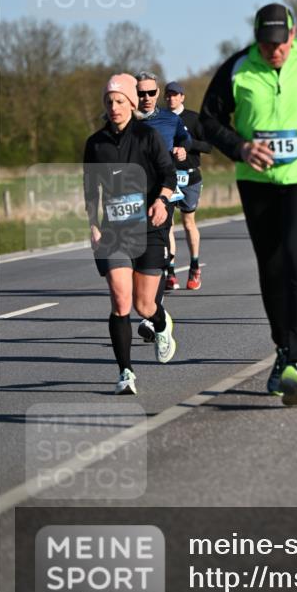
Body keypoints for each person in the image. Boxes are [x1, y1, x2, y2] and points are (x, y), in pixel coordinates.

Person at [200, 3, 297, 406]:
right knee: (271, 268)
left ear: (293, 35)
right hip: (257, 183)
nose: (275, 51)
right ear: (258, 39)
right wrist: (240, 147)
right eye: (266, 44)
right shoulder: (237, 68)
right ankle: (283, 350)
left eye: (281, 43)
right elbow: (209, 119)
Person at [83, 74, 178, 395]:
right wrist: (93, 225)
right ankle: (125, 372)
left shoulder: (148, 137)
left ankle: (162, 324)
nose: (114, 107)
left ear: (132, 104)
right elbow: (90, 190)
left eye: (120, 101)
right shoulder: (95, 144)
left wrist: (162, 199)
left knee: (144, 304)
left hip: (150, 228)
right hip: (114, 231)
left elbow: (168, 173)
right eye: (109, 102)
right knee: (121, 301)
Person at [135, 71, 192, 290]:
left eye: (151, 92)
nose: (146, 97)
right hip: (133, 190)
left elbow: (185, 139)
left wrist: (182, 150)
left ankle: (161, 277)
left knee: (160, 234)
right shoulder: (125, 119)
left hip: (162, 188)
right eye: (141, 93)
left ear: (157, 93)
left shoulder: (170, 119)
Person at [164, 81, 213, 290]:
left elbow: (209, 146)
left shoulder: (193, 119)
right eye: (168, 95)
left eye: (175, 95)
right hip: (167, 177)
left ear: (182, 97)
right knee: (167, 224)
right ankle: (171, 271)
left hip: (190, 178)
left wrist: (188, 143)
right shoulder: (160, 119)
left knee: (188, 222)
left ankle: (194, 267)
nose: (171, 98)